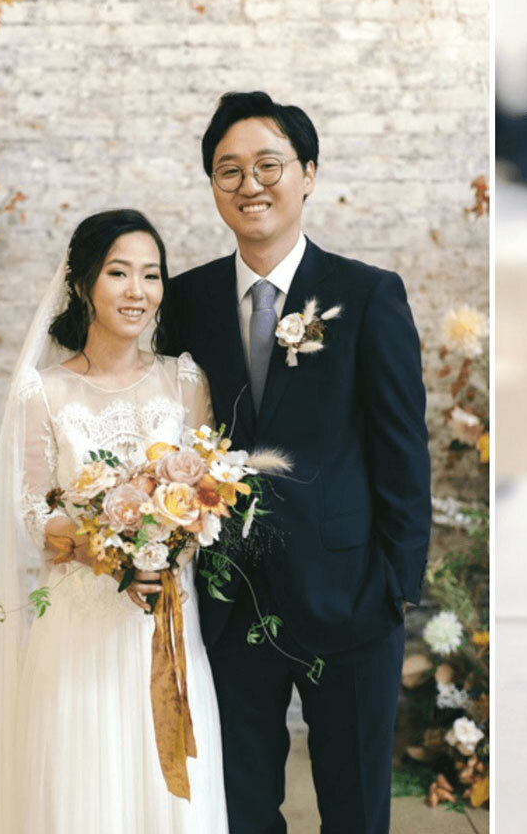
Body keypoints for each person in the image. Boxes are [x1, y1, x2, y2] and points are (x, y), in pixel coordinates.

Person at [160, 91, 431, 834]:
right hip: (226, 600)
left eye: (268, 164)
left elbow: (403, 446)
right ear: (213, 186)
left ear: (307, 173)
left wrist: (397, 586)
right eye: (229, 170)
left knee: (354, 810)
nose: (250, 183)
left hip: (349, 598)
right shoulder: (183, 303)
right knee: (240, 810)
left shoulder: (368, 295)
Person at [0, 209, 228, 833]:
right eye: (118, 273)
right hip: (79, 630)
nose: (138, 291)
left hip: (162, 624)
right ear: (84, 283)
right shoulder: (43, 393)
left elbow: (207, 489)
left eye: (151, 275)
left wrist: (166, 547)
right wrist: (109, 552)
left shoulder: (183, 380)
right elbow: (32, 514)